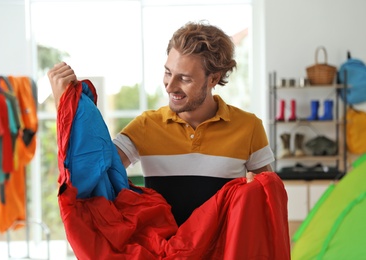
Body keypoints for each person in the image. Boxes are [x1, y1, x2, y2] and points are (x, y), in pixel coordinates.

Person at [48, 21, 274, 226]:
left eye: (184, 78)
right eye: (168, 72)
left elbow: (270, 202)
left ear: (213, 78)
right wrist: (67, 105)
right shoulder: (146, 126)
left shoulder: (248, 127)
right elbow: (95, 173)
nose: (170, 86)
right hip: (163, 251)